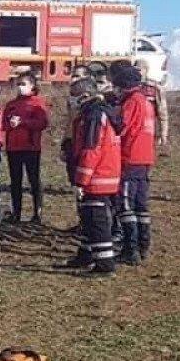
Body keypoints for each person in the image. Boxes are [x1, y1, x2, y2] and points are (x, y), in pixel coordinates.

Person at [64, 78, 121, 275]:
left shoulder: (94, 116)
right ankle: (86, 255)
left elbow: (91, 149)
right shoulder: (96, 113)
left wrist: (81, 180)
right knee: (88, 218)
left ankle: (105, 265)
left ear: (85, 96)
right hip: (104, 173)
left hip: (98, 176)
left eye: (74, 96)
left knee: (96, 220)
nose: (72, 101)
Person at [111, 63, 157, 264]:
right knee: (141, 204)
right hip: (145, 158)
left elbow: (121, 125)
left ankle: (131, 249)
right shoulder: (146, 101)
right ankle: (143, 245)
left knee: (126, 204)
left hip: (130, 157)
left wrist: (110, 110)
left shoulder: (131, 102)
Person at [2, 72, 49, 223]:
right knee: (15, 181)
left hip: (30, 147)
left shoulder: (37, 103)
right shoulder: (11, 105)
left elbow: (42, 123)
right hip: (13, 148)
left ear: (32, 86)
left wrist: (22, 122)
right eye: (19, 84)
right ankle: (16, 213)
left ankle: (37, 213)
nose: (20, 87)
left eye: (23, 84)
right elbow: (3, 124)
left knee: (33, 180)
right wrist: (10, 123)